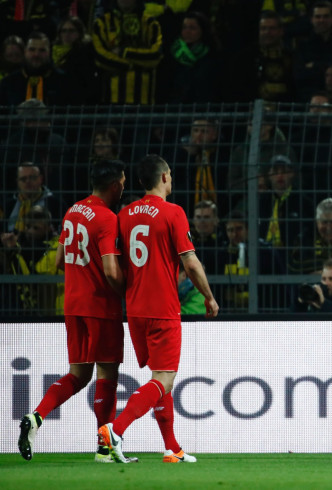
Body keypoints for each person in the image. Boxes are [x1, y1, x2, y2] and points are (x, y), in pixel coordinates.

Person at [98, 154, 219, 464]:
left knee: (161, 379)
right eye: (171, 175)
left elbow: (116, 263)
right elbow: (189, 262)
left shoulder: (124, 214)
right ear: (164, 178)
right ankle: (116, 431)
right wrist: (208, 296)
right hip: (163, 307)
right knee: (163, 379)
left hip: (135, 308)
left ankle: (172, 448)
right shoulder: (173, 212)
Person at [16, 160, 131, 462]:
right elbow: (109, 268)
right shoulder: (107, 218)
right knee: (107, 372)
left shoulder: (73, 211)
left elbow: (58, 261)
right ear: (116, 185)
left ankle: (36, 416)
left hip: (73, 304)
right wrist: (126, 292)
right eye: (123, 182)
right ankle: (105, 448)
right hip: (100, 306)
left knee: (78, 374)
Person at [92, 0, 163, 105]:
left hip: (144, 101)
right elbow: (100, 58)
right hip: (110, 100)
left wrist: (123, 52)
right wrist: (136, 64)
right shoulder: (101, 23)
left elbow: (156, 55)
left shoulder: (151, 23)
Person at [0, 31, 77, 106]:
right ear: (25, 51)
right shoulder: (8, 83)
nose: (36, 54)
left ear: (49, 52)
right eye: (32, 50)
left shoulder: (65, 82)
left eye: (42, 50)